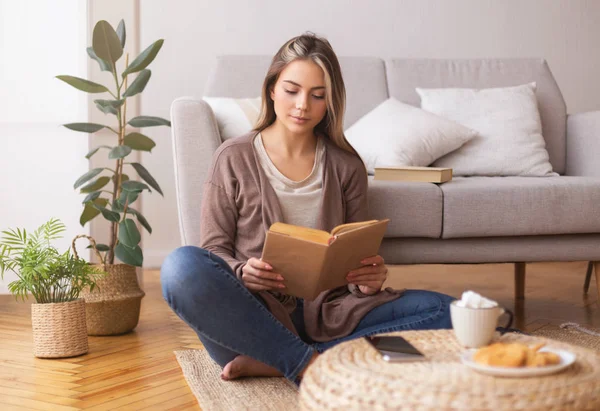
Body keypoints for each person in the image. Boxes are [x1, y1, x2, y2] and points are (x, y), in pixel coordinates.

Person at [161, 32, 454, 384]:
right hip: (254, 317)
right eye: (292, 90)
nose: (303, 105)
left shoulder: (346, 166)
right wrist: (242, 272)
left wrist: (368, 281)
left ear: (330, 102)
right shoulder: (233, 158)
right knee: (180, 267)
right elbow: (214, 250)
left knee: (451, 312)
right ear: (271, 89)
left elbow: (355, 256)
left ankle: (284, 360)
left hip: (333, 313)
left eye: (318, 96)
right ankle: (311, 363)